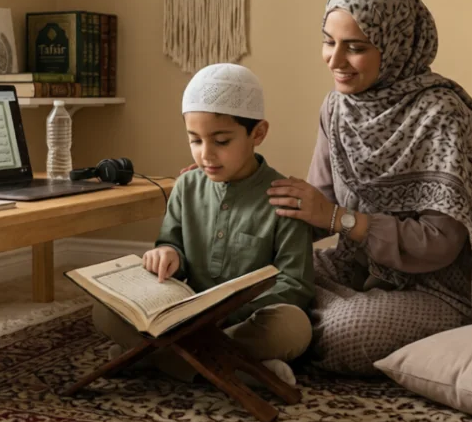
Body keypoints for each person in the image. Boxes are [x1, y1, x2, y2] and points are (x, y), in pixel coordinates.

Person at [256, 0, 472, 375]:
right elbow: (316, 206)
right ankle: (274, 335)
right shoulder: (337, 108)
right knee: (252, 280)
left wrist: (338, 218)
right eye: (328, 41)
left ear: (397, 45)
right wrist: (232, 188)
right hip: (356, 269)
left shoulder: (442, 114)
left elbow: (440, 243)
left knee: (344, 333)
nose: (335, 60)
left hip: (435, 288)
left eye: (355, 48)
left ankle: (272, 337)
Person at [92, 63, 317, 386]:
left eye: (221, 141)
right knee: (104, 310)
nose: (206, 154)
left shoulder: (284, 197)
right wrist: (167, 254)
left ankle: (155, 358)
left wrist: (226, 314)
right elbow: (172, 246)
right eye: (195, 140)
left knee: (292, 326)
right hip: (182, 315)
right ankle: (237, 369)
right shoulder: (186, 187)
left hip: (240, 323)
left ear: (258, 133)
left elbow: (295, 285)